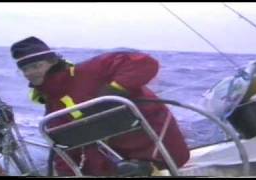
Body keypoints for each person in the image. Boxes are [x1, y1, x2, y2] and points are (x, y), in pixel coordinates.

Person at [10, 36, 190, 176]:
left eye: (36, 65)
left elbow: (143, 62)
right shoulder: (52, 105)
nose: (30, 73)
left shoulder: (90, 71)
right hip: (114, 168)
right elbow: (63, 148)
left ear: (53, 61)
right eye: (24, 69)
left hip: (158, 153)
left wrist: (114, 91)